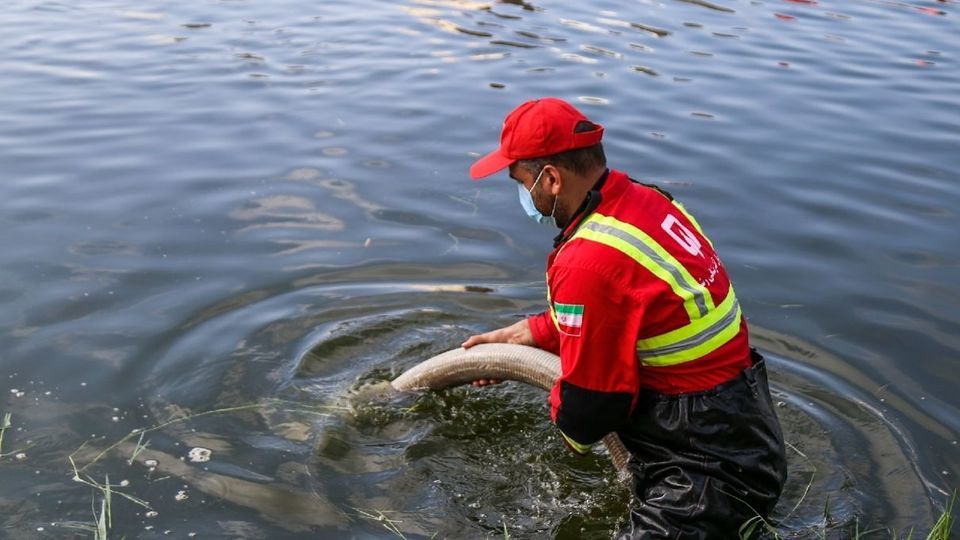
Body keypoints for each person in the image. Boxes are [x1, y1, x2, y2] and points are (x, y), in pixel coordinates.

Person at [461, 97, 787, 538]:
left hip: (702, 471)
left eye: (521, 181)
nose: (523, 194)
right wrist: (528, 337)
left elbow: (594, 407)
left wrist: (564, 414)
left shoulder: (587, 261)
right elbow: (636, 311)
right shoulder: (648, 201)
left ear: (552, 179)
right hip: (747, 433)